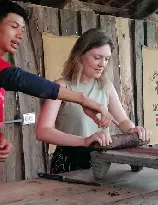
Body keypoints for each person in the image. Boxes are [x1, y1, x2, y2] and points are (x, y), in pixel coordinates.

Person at [0, 0, 118, 196]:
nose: (20, 34)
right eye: (14, 26)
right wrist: (82, 99)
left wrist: (0, 140)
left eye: (23, 29)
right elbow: (16, 78)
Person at [36, 28, 152, 174]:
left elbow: (122, 121)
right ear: (79, 56)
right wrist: (83, 141)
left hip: (103, 159)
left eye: (107, 59)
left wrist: (132, 130)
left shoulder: (106, 86)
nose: (102, 64)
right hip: (69, 159)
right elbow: (43, 131)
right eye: (97, 57)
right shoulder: (61, 86)